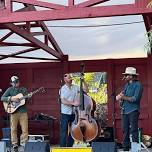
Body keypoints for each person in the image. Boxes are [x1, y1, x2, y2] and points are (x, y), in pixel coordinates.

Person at [1, 76, 32, 152]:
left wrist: (29, 96)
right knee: (13, 129)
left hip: (23, 112)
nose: (16, 83)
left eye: (17, 82)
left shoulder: (23, 89)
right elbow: (2, 98)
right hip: (13, 112)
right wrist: (11, 98)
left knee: (25, 129)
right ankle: (15, 145)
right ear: (11, 83)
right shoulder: (9, 90)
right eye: (14, 82)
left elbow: (26, 100)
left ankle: (24, 144)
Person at [116, 67, 143, 151]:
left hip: (133, 110)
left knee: (134, 129)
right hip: (124, 110)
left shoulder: (138, 85)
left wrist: (123, 97)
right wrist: (120, 97)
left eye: (127, 75)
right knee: (125, 129)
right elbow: (123, 96)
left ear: (132, 76)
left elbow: (135, 99)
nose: (125, 76)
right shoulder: (126, 85)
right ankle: (125, 148)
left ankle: (135, 149)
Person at [59, 73, 88, 147]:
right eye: (69, 78)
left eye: (71, 78)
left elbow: (86, 90)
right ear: (65, 80)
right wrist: (73, 103)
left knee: (73, 131)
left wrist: (83, 80)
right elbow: (63, 101)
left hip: (74, 113)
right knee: (64, 131)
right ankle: (62, 147)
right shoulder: (63, 89)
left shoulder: (76, 87)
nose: (71, 79)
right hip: (65, 113)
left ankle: (69, 147)